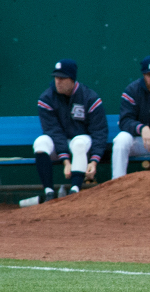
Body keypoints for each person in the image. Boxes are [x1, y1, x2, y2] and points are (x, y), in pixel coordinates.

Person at [34, 59, 108, 201]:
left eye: (62, 78)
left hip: (82, 144)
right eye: (56, 77)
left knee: (79, 142)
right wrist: (66, 161)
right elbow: (53, 131)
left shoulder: (89, 97)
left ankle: (75, 191)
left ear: (72, 79)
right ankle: (49, 192)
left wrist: (94, 161)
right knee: (40, 142)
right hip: (59, 144)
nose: (58, 81)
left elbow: (99, 131)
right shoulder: (46, 98)